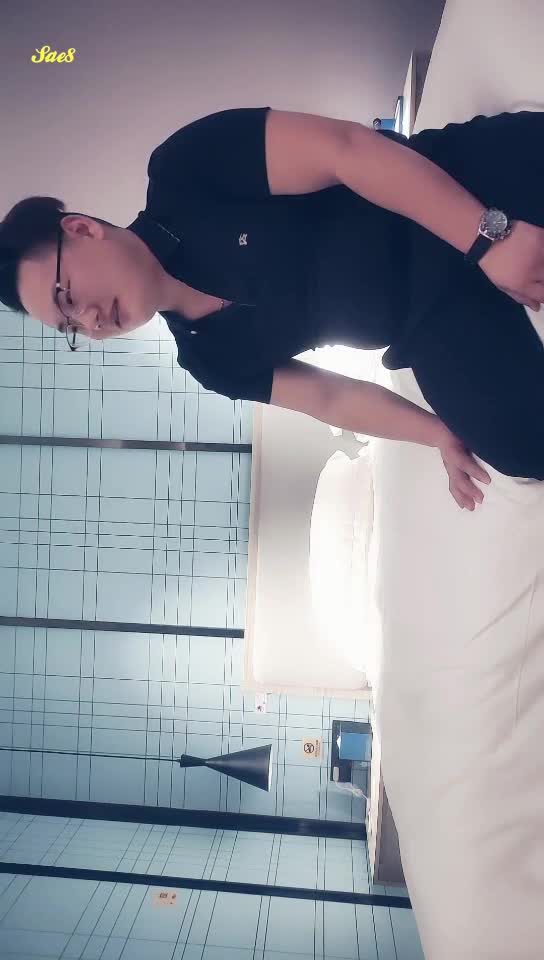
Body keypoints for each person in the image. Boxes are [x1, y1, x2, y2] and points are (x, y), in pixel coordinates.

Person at [2, 106, 544, 511]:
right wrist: (439, 434)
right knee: (520, 446)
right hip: (429, 318)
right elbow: (331, 398)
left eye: (66, 296)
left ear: (81, 229)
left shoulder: (184, 171)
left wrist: (485, 238)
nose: (89, 321)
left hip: (460, 190)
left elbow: (347, 149)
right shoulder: (210, 359)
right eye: (70, 326)